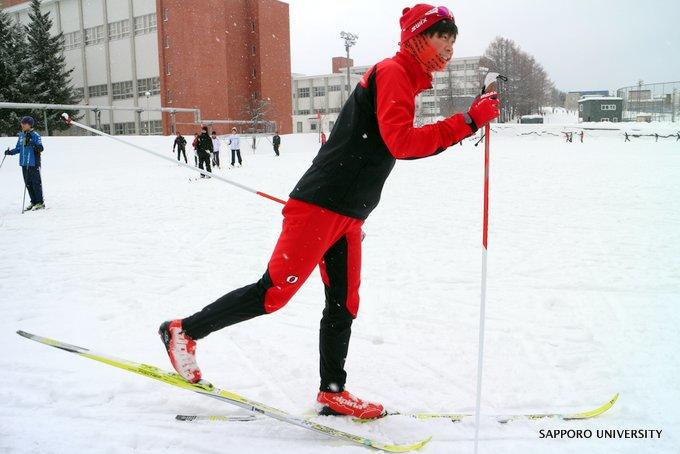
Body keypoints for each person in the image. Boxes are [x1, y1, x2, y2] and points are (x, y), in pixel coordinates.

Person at [159, 4, 499, 419]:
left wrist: (469, 118)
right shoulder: (392, 73)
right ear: (415, 37)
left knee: (344, 303)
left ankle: (332, 390)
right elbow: (402, 143)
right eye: (439, 37)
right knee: (272, 294)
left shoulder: (408, 81)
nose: (446, 49)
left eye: (451, 40)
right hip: (319, 207)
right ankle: (183, 331)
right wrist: (467, 121)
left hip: (349, 215)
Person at [5, 116, 45, 211]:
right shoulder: (21, 135)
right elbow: (19, 148)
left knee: (35, 183)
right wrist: (10, 152)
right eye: (22, 123)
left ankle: (40, 202)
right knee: (28, 183)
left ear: (30, 125)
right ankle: (33, 201)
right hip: (24, 163)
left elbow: (41, 148)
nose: (22, 125)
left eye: (24, 123)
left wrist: (32, 142)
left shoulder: (35, 135)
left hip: (33, 162)